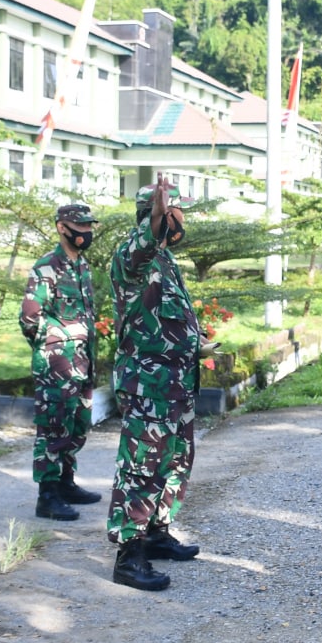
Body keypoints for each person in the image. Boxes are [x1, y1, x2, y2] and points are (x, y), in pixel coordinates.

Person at [108, 178, 201, 592]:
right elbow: (139, 249)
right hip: (148, 385)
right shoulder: (135, 256)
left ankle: (158, 533)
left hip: (175, 385)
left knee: (177, 461)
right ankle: (130, 555)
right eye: (176, 213)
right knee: (142, 467)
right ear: (159, 217)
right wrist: (156, 219)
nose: (183, 221)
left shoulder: (165, 261)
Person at [19, 202, 103, 523]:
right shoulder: (46, 268)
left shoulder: (82, 267)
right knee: (53, 429)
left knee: (77, 425)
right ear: (62, 228)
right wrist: (58, 342)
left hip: (82, 365)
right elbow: (29, 318)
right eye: (79, 227)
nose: (86, 233)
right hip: (56, 366)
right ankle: (47, 495)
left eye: (89, 227)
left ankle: (66, 483)